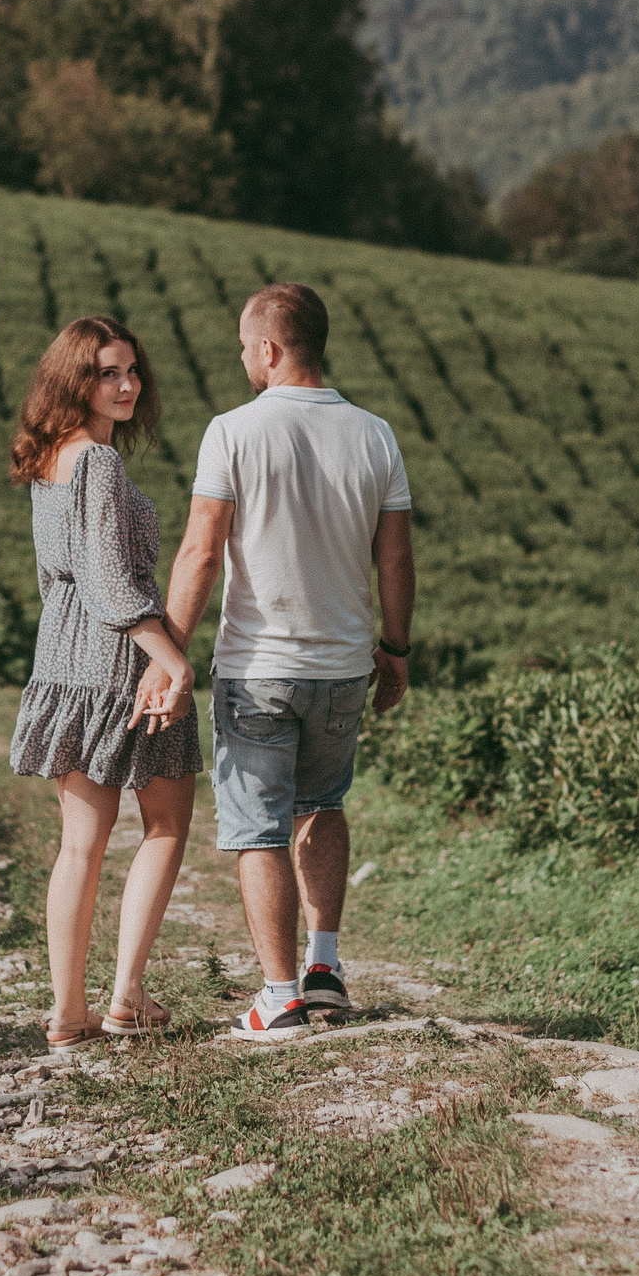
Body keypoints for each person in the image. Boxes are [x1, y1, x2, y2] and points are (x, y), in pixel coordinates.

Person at [159, 282, 416, 1043]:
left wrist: (167, 648)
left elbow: (202, 551)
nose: (243, 358)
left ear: (268, 349)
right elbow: (395, 554)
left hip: (258, 666)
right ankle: (325, 968)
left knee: (257, 828)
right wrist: (395, 649)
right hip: (343, 666)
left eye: (245, 347)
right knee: (323, 804)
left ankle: (278, 997)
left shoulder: (232, 430)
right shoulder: (376, 435)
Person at [7, 315, 199, 1047]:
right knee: (167, 825)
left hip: (61, 660)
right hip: (122, 663)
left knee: (80, 844)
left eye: (131, 370)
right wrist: (170, 656)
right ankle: (123, 997)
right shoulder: (99, 465)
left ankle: (66, 1011)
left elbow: (58, 577)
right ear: (74, 380)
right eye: (107, 373)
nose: (126, 384)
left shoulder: (50, 459)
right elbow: (113, 583)